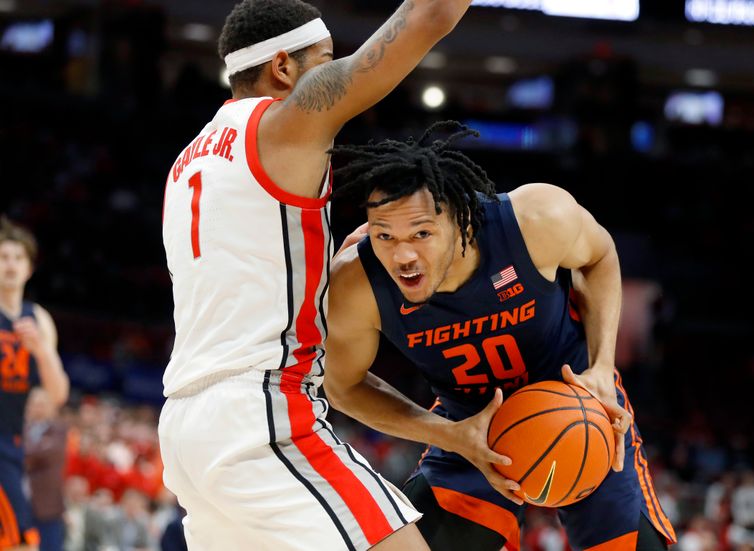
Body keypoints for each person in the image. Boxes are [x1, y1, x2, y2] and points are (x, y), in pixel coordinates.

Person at [159, 1, 478, 549]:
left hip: (186, 426)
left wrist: (329, 269)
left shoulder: (189, 160)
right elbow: (430, 15)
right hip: (261, 415)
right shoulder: (283, 126)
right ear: (284, 68)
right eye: (327, 60)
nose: (337, 69)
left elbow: (250, 278)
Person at [324, 122, 678, 551]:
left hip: (579, 406)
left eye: (421, 233)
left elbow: (599, 256)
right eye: (384, 235)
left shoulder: (536, 220)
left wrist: (603, 366)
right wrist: (444, 434)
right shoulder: (356, 283)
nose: (403, 255)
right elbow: (342, 385)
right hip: (471, 425)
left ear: (459, 218)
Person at [0, 217, 69, 551]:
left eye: (17, 258)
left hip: (12, 442)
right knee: (24, 543)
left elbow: (57, 395)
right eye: (3, 257)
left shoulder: (38, 318)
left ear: (29, 268)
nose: (10, 265)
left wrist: (41, 351)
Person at [24, 388, 68, 551]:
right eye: (34, 404)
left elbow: (47, 453)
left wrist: (21, 452)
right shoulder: (19, 428)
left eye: (41, 404)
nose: (37, 408)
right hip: (21, 500)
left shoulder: (59, 429)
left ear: (51, 408)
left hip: (47, 504)